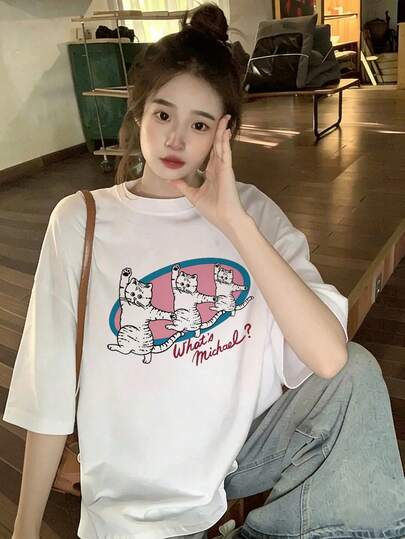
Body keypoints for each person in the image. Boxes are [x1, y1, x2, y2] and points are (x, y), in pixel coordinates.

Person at [3, 3, 405, 539]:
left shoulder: (252, 212)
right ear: (139, 114)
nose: (176, 139)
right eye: (163, 115)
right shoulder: (81, 220)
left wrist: (234, 223)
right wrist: (24, 529)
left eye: (198, 124)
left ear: (224, 133)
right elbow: (50, 388)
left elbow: (331, 359)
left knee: (358, 377)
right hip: (135, 500)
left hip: (231, 460)